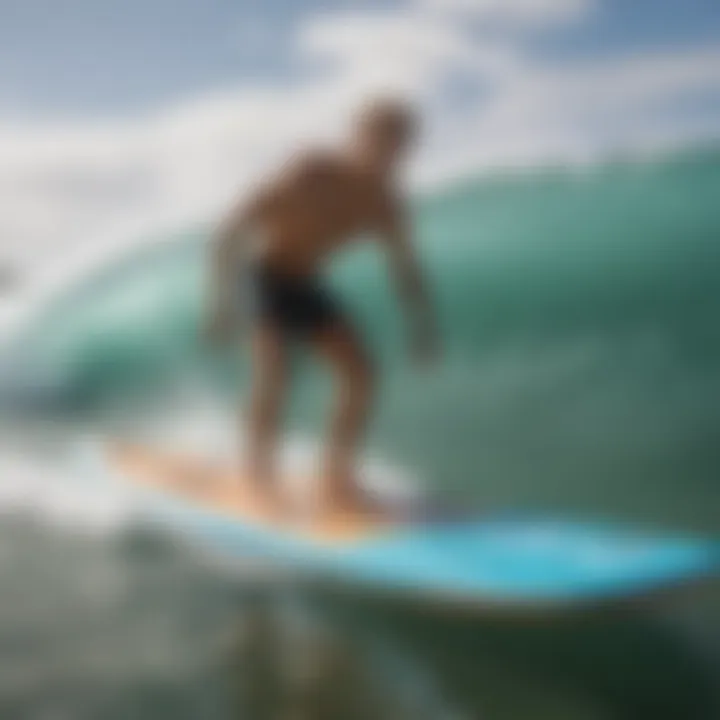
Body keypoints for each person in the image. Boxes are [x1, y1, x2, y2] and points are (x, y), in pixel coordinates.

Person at [204, 98, 439, 518]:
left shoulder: (386, 203)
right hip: (261, 276)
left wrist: (422, 324)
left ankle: (336, 477)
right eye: (382, 140)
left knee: (361, 374)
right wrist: (220, 302)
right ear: (358, 137)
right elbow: (232, 226)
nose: (391, 153)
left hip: (304, 283)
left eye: (401, 144)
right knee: (274, 371)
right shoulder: (312, 171)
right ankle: (257, 478)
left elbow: (405, 266)